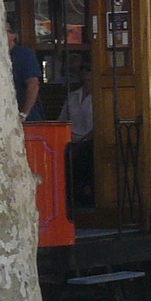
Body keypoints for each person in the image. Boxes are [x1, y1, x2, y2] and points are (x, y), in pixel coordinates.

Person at [61, 66, 95, 208]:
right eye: (84, 72)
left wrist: (83, 139)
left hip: (90, 139)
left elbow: (101, 125)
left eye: (89, 71)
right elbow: (62, 119)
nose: (86, 75)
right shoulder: (73, 96)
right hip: (71, 138)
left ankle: (83, 192)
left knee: (83, 151)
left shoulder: (101, 97)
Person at [7, 21, 43, 121]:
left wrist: (23, 114)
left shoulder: (23, 54)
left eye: (3, 31)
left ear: (13, 35)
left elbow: (33, 84)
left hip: (26, 117)